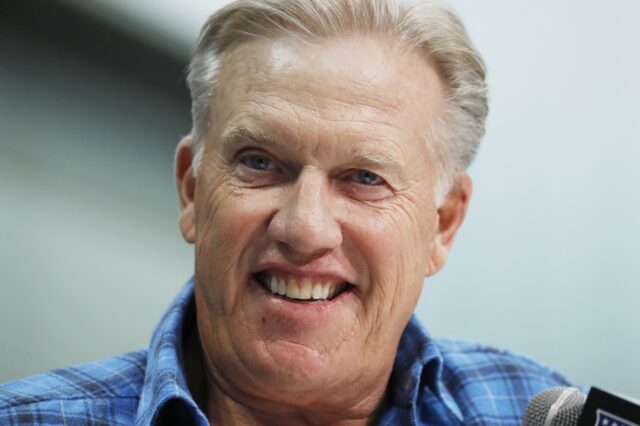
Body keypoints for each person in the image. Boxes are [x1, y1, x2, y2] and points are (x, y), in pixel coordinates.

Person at [0, 0, 573, 424]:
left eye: (366, 178)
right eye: (259, 162)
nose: (304, 228)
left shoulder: (538, 411)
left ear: (442, 224)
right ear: (192, 191)